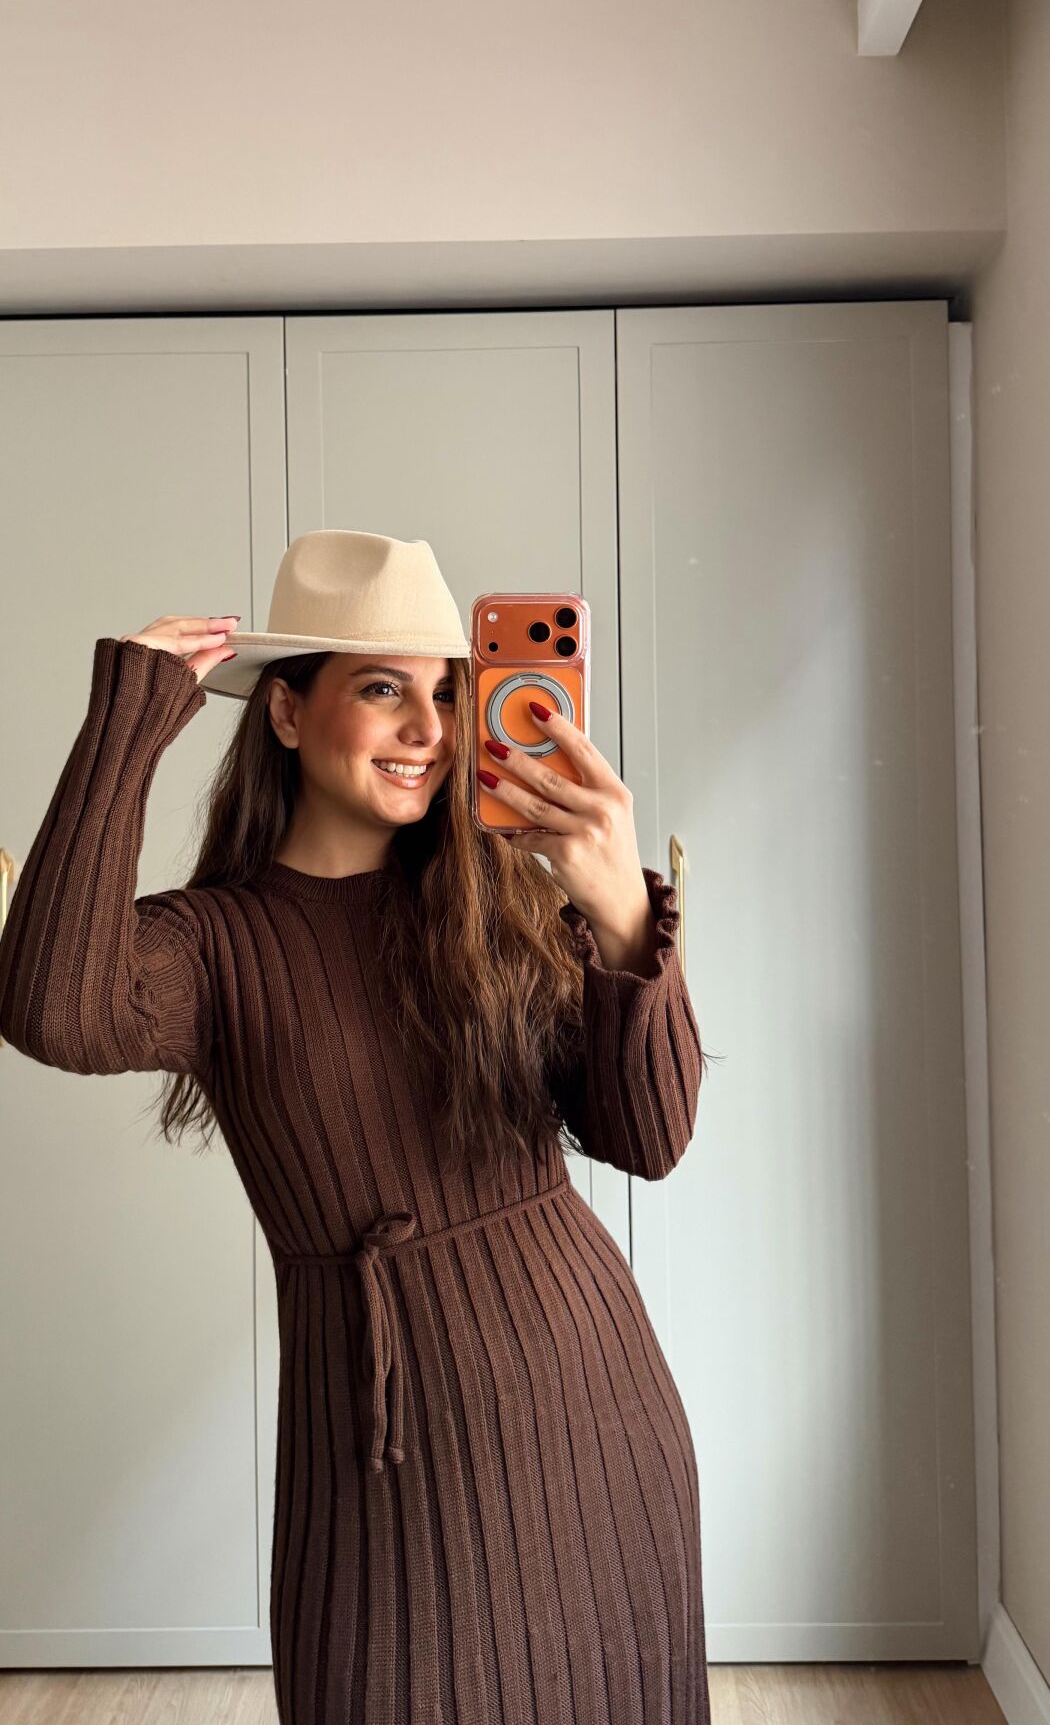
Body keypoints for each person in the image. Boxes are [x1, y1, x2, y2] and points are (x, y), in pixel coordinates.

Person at [0, 529, 711, 1725]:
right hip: (375, 1441)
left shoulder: (498, 903)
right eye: (384, 689)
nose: (428, 728)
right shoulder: (213, 944)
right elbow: (53, 1008)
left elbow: (650, 1137)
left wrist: (623, 918)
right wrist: (128, 719)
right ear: (286, 712)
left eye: (448, 694)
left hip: (594, 1413)